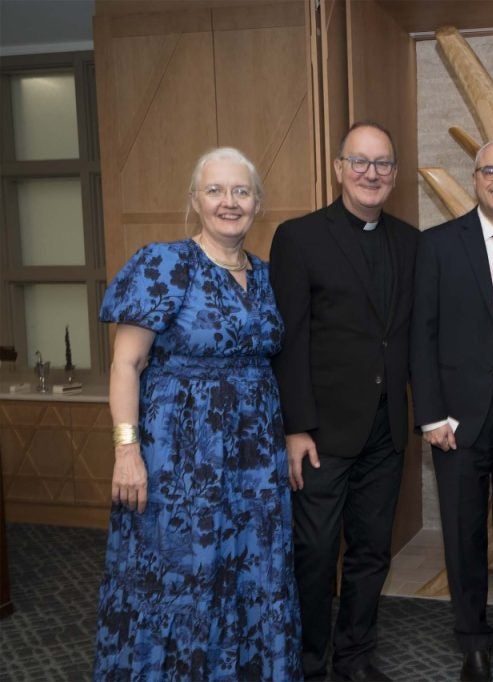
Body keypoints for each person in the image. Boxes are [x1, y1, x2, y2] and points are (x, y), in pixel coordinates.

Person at [93, 147, 301, 680]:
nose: (228, 202)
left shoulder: (268, 275)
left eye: (241, 191)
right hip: (180, 459)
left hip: (254, 462)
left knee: (252, 573)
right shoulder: (163, 265)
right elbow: (125, 364)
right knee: (181, 576)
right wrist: (126, 449)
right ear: (194, 200)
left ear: (258, 203)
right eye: (215, 190)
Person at [270, 122, 418, 682]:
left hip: (386, 431)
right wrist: (295, 427)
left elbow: (405, 337)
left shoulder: (410, 241)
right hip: (321, 434)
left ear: (395, 175)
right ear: (338, 169)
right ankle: (309, 662)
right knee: (313, 553)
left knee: (371, 553)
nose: (371, 173)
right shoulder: (299, 237)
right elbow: (289, 340)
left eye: (382, 164)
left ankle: (356, 658)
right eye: (359, 162)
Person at [411, 140, 493, 682]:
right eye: (492, 170)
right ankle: (472, 642)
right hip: (458, 419)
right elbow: (422, 333)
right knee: (463, 534)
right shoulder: (438, 244)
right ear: (475, 178)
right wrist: (431, 415)